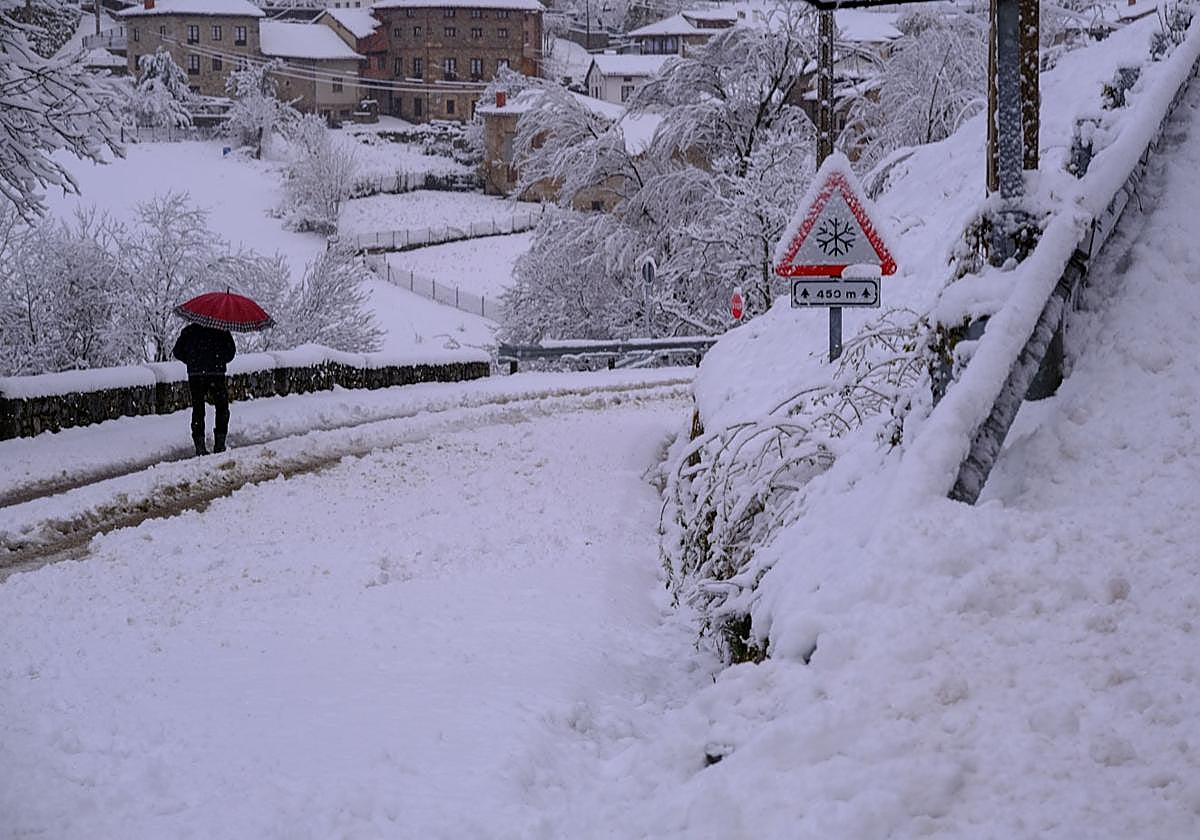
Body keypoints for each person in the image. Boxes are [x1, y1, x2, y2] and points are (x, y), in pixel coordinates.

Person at [172, 323, 236, 456]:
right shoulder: (222, 330)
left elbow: (177, 352)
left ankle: (200, 446)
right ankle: (220, 443)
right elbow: (231, 352)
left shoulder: (189, 331)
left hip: (195, 375)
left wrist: (192, 361)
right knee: (222, 407)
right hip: (216, 374)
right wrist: (218, 360)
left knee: (198, 409)